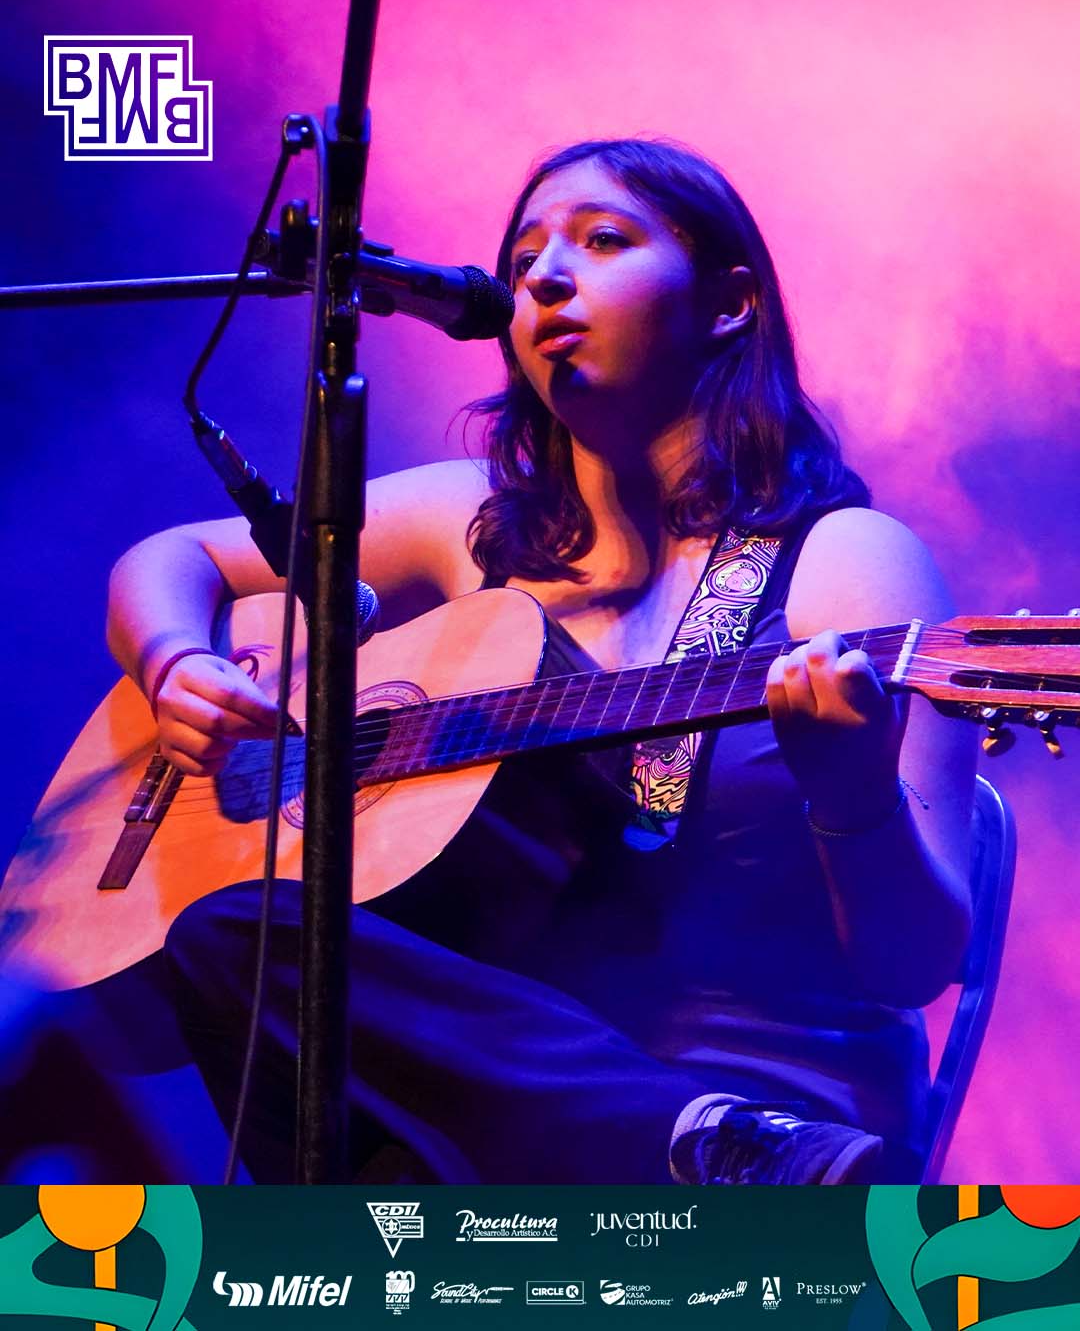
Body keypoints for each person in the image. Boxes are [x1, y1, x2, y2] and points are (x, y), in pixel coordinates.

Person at [105, 138, 975, 1184]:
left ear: (730, 303)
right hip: (479, 1109)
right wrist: (174, 666)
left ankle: (714, 1142)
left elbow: (914, 965)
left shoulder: (844, 559)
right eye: (522, 264)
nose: (546, 280)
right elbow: (173, 559)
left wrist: (853, 795)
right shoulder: (469, 525)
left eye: (602, 241)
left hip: (777, 1113)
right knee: (229, 930)